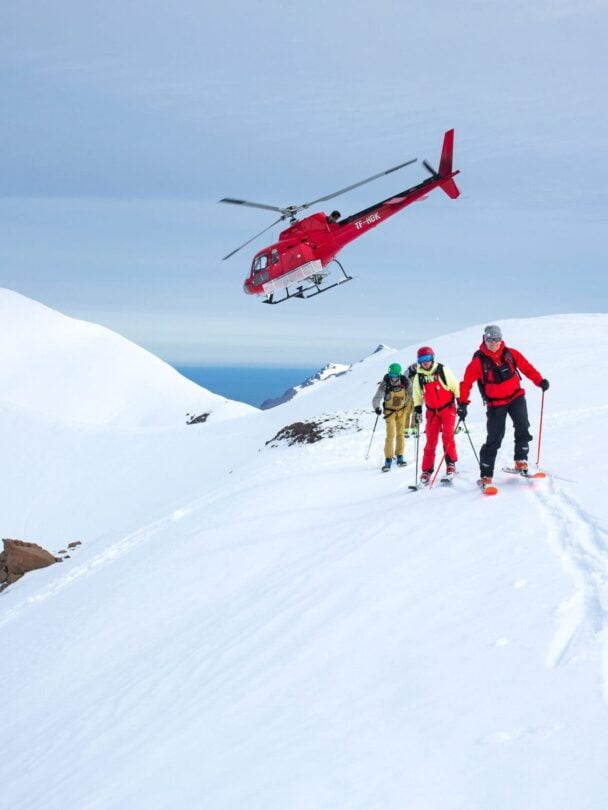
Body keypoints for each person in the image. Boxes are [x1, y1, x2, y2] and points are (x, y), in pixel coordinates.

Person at [457, 324, 550, 487]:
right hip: (495, 404)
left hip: (516, 397)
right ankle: (486, 475)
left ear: (501, 339)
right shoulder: (478, 361)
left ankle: (521, 460)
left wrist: (540, 381)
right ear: (484, 339)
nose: (493, 342)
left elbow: (526, 368)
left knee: (523, 427)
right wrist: (463, 404)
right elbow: (466, 383)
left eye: (497, 339)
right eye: (490, 339)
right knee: (494, 438)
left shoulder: (510, 354)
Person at [412, 346, 460, 484]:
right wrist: (418, 410)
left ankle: (451, 464)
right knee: (430, 441)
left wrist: (461, 403)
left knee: (447, 436)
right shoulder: (419, 376)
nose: (425, 362)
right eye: (422, 359)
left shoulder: (442, 370)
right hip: (432, 411)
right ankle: (426, 471)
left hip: (448, 408)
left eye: (427, 358)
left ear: (432, 358)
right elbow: (417, 395)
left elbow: (455, 386)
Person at [372, 362, 412, 471]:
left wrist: (412, 404)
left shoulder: (405, 382)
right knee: (390, 435)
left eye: (395, 375)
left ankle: (399, 455)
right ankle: (388, 458)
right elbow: (376, 398)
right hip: (389, 412)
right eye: (391, 375)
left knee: (400, 434)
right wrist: (377, 408)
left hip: (402, 411)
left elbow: (413, 393)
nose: (393, 378)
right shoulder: (385, 384)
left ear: (399, 374)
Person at [403, 362, 418, 437]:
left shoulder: (420, 373)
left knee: (415, 413)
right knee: (407, 413)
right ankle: (405, 430)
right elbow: (403, 382)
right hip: (408, 396)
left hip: (416, 396)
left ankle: (414, 429)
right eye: (416, 367)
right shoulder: (408, 371)